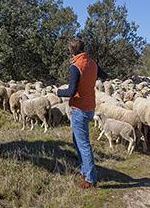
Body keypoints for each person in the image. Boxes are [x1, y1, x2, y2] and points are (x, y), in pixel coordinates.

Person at [57, 38, 104, 189]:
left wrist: (57, 92)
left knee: (83, 144)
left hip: (80, 109)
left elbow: (71, 91)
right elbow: (104, 75)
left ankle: (90, 179)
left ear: (72, 51)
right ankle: (85, 170)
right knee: (77, 141)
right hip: (90, 107)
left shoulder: (75, 66)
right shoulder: (92, 63)